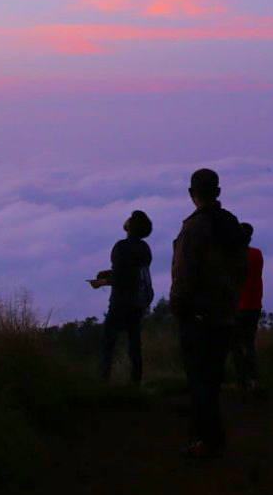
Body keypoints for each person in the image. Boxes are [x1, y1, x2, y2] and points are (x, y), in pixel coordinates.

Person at [169, 167, 246, 457]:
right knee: (212, 379)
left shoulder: (195, 227)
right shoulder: (230, 224)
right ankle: (213, 437)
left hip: (198, 315)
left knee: (199, 379)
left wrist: (177, 307)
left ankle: (200, 440)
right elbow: (241, 270)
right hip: (225, 312)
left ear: (192, 194)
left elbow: (184, 273)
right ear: (218, 192)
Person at [88, 209, 153, 386]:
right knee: (134, 343)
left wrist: (103, 281)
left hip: (120, 302)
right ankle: (135, 383)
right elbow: (133, 272)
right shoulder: (144, 249)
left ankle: (104, 381)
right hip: (138, 302)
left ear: (130, 226)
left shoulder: (120, 247)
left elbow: (122, 277)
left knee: (108, 342)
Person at [231, 221, 263, 390]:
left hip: (238, 306)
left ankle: (241, 379)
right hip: (254, 305)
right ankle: (254, 378)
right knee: (249, 343)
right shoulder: (257, 254)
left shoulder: (232, 256)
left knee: (235, 345)